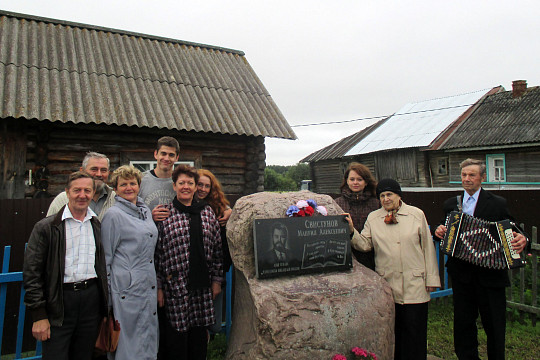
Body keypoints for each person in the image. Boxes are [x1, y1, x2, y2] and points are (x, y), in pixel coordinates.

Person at [434, 159, 528, 360]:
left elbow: (514, 229)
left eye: (472, 175)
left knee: (494, 324)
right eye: (464, 175)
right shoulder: (452, 204)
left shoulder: (497, 203)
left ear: (482, 178)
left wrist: (523, 238)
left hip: (491, 277)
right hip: (462, 276)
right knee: (463, 324)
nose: (467, 179)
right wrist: (439, 230)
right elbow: (442, 230)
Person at [350, 178, 440, 360]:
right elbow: (365, 245)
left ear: (399, 195)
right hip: (389, 284)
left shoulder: (416, 214)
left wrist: (431, 278)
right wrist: (352, 231)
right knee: (395, 332)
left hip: (415, 284)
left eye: (389, 194)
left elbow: (428, 248)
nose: (386, 199)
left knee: (415, 331)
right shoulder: (374, 218)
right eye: (382, 195)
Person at [23, 171, 108, 360]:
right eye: (77, 190)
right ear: (67, 192)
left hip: (90, 302)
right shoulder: (47, 228)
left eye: (87, 190)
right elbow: (32, 274)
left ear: (93, 193)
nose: (82, 195)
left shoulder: (97, 225)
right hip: (59, 302)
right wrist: (39, 315)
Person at [155, 165, 223, 360]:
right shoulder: (165, 214)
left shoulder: (207, 212)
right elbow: (157, 255)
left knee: (199, 338)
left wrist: (217, 281)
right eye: (182, 183)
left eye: (190, 183)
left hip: (202, 289)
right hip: (175, 288)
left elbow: (217, 250)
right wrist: (159, 287)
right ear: (174, 186)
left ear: (195, 188)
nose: (186, 186)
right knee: (176, 339)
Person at [101, 165, 158, 360]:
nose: (128, 187)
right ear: (115, 189)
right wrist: (108, 297)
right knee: (129, 339)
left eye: (132, 183)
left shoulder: (145, 211)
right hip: (124, 289)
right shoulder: (113, 216)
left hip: (147, 285)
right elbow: (106, 259)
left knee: (146, 334)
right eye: (123, 184)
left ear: (139, 186)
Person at [196, 169, 233, 336]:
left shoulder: (218, 208)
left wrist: (230, 211)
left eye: (207, 186)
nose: (203, 189)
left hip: (215, 269)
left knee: (215, 323)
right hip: (194, 270)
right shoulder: (185, 205)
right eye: (199, 185)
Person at [334, 162, 379, 270]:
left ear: (366, 182)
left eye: (359, 179)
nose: (355, 182)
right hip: (347, 256)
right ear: (347, 181)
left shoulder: (376, 204)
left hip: (372, 256)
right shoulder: (337, 204)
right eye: (352, 179)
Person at [47, 152, 116, 221]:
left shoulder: (115, 198)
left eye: (103, 170)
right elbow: (48, 228)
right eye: (94, 169)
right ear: (82, 171)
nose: (99, 174)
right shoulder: (62, 200)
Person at [138, 136, 180, 221]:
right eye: (163, 153)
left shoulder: (181, 183)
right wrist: (149, 217)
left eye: (171, 155)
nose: (167, 158)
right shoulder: (140, 180)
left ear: (177, 158)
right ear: (155, 154)